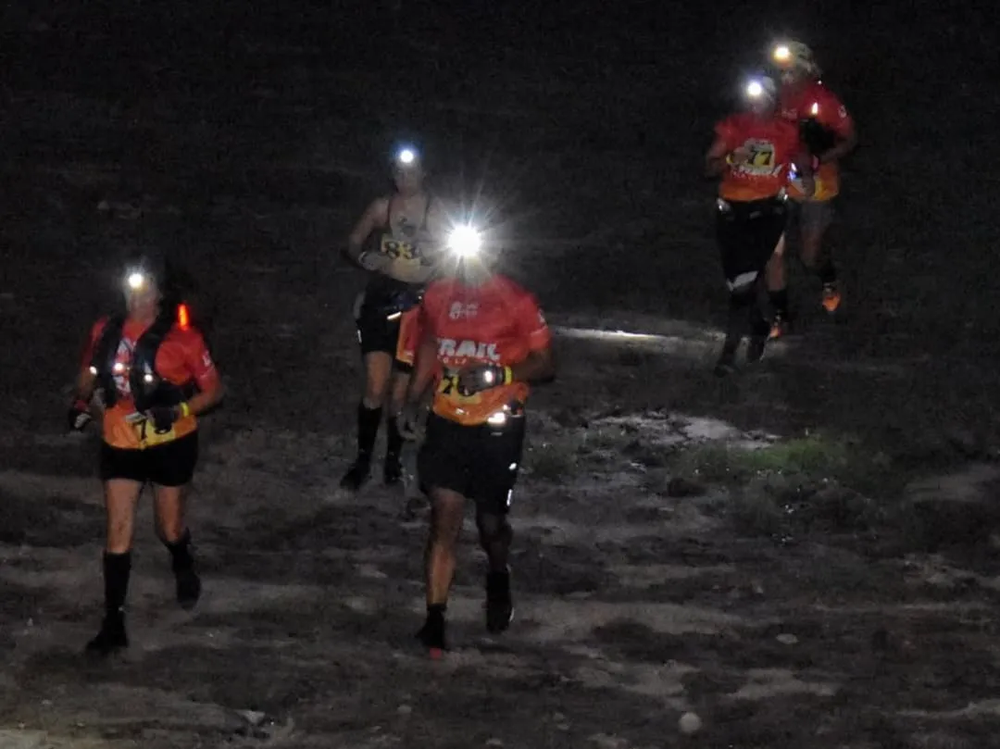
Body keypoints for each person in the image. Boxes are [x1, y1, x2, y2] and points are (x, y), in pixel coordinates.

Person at [395, 225, 556, 656]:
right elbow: (428, 341)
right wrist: (413, 398)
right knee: (444, 516)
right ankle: (434, 619)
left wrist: (498, 374)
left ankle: (498, 573)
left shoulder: (516, 300)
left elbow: (546, 364)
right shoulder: (437, 295)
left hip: (498, 424)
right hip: (448, 421)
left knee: (490, 524)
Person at [68, 257, 225, 655]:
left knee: (167, 527)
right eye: (131, 288)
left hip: (171, 441)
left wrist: (180, 411)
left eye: (145, 289)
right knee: (117, 532)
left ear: (158, 296)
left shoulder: (183, 339)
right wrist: (80, 401)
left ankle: (182, 559)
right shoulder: (105, 330)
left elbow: (214, 391)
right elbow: (89, 368)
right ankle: (113, 622)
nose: (137, 296)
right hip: (120, 439)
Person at [340, 146, 446, 491]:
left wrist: (439, 259)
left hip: (417, 303)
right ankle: (362, 459)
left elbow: (461, 250)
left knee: (400, 391)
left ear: (424, 175)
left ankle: (393, 461)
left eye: (412, 173)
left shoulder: (436, 211)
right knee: (375, 385)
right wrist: (365, 256)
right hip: (381, 298)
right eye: (399, 174)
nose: (405, 180)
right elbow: (353, 242)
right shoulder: (381, 207)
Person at [705, 75, 814, 375]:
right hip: (730, 211)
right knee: (736, 281)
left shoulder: (785, 130)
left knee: (745, 282)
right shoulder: (734, 126)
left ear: (771, 100)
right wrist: (729, 158)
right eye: (751, 98)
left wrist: (805, 175)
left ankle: (728, 354)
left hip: (768, 211)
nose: (755, 103)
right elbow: (709, 166)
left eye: (761, 97)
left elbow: (801, 154)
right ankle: (758, 326)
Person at [766, 41, 857, 337]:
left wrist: (819, 159)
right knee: (773, 252)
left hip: (817, 184)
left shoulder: (824, 100)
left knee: (809, 255)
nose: (785, 76)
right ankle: (780, 315)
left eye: (791, 69)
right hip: (779, 181)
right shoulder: (772, 99)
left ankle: (827, 277)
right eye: (781, 70)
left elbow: (849, 139)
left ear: (806, 68)